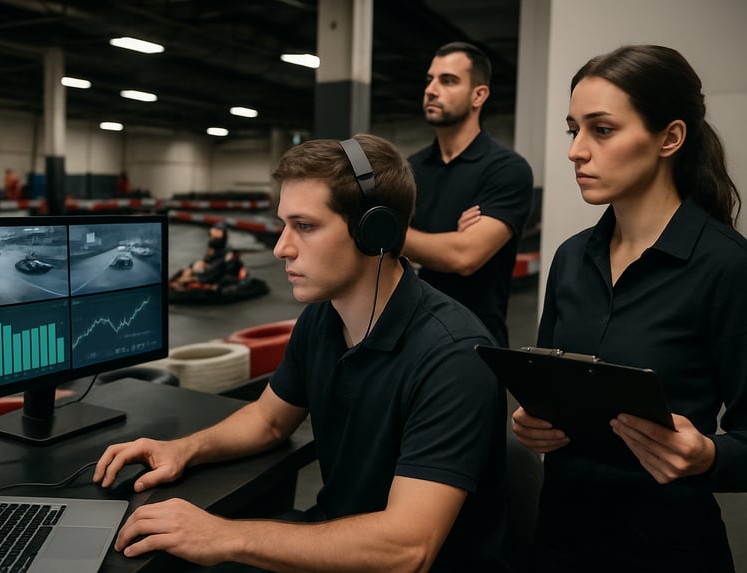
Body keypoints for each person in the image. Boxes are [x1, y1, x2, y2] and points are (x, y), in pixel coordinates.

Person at [94, 134, 510, 572]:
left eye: (305, 226)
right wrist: (184, 449)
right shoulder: (323, 317)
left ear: (375, 233)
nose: (281, 248)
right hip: (336, 542)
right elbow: (270, 420)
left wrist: (224, 534)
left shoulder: (453, 357)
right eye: (283, 225)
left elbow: (407, 549)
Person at [510, 45, 746, 572]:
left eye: (602, 129)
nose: (576, 151)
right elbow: (549, 386)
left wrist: (709, 454)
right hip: (560, 540)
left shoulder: (726, 267)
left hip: (667, 549)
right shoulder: (571, 258)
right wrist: (535, 421)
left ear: (670, 138)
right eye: (574, 130)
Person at [404, 41, 534, 347]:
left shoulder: (507, 169)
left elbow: (465, 256)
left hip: (474, 342)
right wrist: (444, 242)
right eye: (429, 80)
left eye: (447, 81)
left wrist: (395, 236)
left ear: (479, 95)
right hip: (410, 336)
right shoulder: (410, 169)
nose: (432, 90)